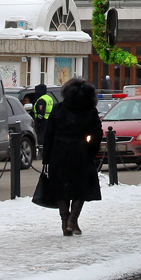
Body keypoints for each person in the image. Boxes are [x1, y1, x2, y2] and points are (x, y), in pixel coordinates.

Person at [41, 77, 102, 235]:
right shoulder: (90, 111)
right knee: (80, 187)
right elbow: (97, 133)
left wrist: (46, 158)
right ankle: (73, 219)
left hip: (58, 152)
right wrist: (91, 150)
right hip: (81, 151)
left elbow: (48, 134)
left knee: (60, 188)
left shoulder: (58, 109)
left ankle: (65, 221)